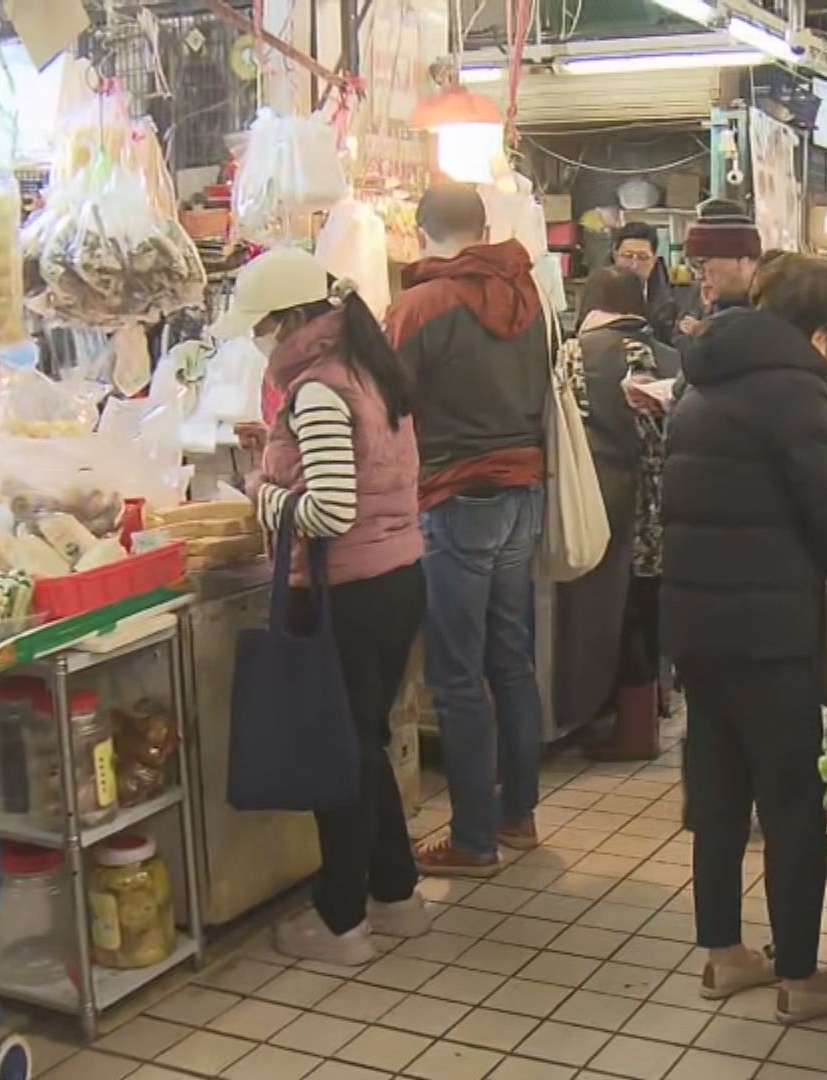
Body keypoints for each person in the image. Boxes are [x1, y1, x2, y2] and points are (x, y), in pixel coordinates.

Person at [662, 253, 827, 1025]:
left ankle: (724, 955)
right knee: (794, 800)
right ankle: (800, 975)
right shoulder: (795, 386)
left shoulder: (704, 375)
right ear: (821, 333)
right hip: (768, 630)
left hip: (697, 622)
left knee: (720, 794)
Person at [221, 248, 429, 965]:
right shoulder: (367, 369)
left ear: (287, 320)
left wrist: (262, 493)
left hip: (347, 594)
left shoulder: (315, 388)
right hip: (396, 578)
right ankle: (397, 895)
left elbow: (332, 510)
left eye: (264, 325)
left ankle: (341, 921)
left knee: (340, 759)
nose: (261, 339)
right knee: (365, 748)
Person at [384, 182, 551, 878]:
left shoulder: (419, 306)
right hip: (523, 490)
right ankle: (518, 814)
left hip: (455, 497)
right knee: (509, 658)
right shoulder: (527, 294)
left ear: (421, 232)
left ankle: (473, 840)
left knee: (456, 675)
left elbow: (384, 402)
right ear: (483, 228)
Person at [555, 268, 680, 760]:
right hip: (663, 503)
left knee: (610, 613)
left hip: (599, 502)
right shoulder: (672, 353)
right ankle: (645, 718)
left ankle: (627, 732)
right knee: (648, 607)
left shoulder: (575, 353)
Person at [677, 198, 762, 335]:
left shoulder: (777, 314)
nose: (700, 276)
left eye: (702, 263)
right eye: (693, 266)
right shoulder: (701, 303)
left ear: (743, 261)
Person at [612, 221, 681, 345]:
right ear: (615, 256)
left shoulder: (671, 300)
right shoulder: (598, 292)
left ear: (654, 260)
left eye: (642, 257)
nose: (634, 265)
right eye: (627, 256)